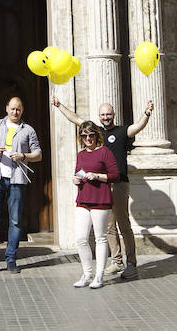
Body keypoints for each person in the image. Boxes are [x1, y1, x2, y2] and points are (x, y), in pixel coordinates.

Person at [52, 94, 154, 280]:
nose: (105, 117)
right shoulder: (95, 132)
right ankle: (116, 261)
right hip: (102, 187)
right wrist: (60, 105)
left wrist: (146, 113)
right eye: (102, 115)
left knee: (124, 224)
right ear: (99, 116)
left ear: (113, 114)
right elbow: (76, 119)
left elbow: (137, 127)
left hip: (119, 184)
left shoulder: (122, 132)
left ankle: (131, 262)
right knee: (109, 227)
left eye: (108, 114)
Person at [0, 96, 42, 275]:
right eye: (12, 108)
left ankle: (11, 259)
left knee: (15, 221)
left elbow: (38, 154)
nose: (15, 112)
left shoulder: (28, 129)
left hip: (17, 180)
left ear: (22, 110)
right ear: (6, 108)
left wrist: (24, 156)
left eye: (18, 109)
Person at [72, 120, 120, 289]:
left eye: (91, 135)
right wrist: (75, 179)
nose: (88, 138)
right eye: (84, 136)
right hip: (83, 198)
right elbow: (78, 172)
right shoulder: (81, 155)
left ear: (96, 135)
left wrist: (98, 176)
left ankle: (99, 276)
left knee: (100, 238)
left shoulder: (105, 152)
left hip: (101, 199)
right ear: (81, 138)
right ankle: (87, 274)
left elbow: (115, 175)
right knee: (81, 239)